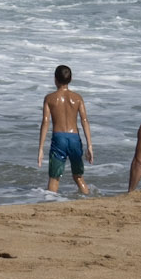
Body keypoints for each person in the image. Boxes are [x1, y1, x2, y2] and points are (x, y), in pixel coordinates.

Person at [36, 64, 93, 195]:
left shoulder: (50, 98)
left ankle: (50, 203)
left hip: (58, 138)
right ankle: (88, 198)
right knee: (78, 176)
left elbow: (45, 122)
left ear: (55, 79)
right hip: (74, 138)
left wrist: (40, 149)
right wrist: (89, 145)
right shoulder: (77, 98)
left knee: (54, 177)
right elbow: (85, 121)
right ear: (71, 79)